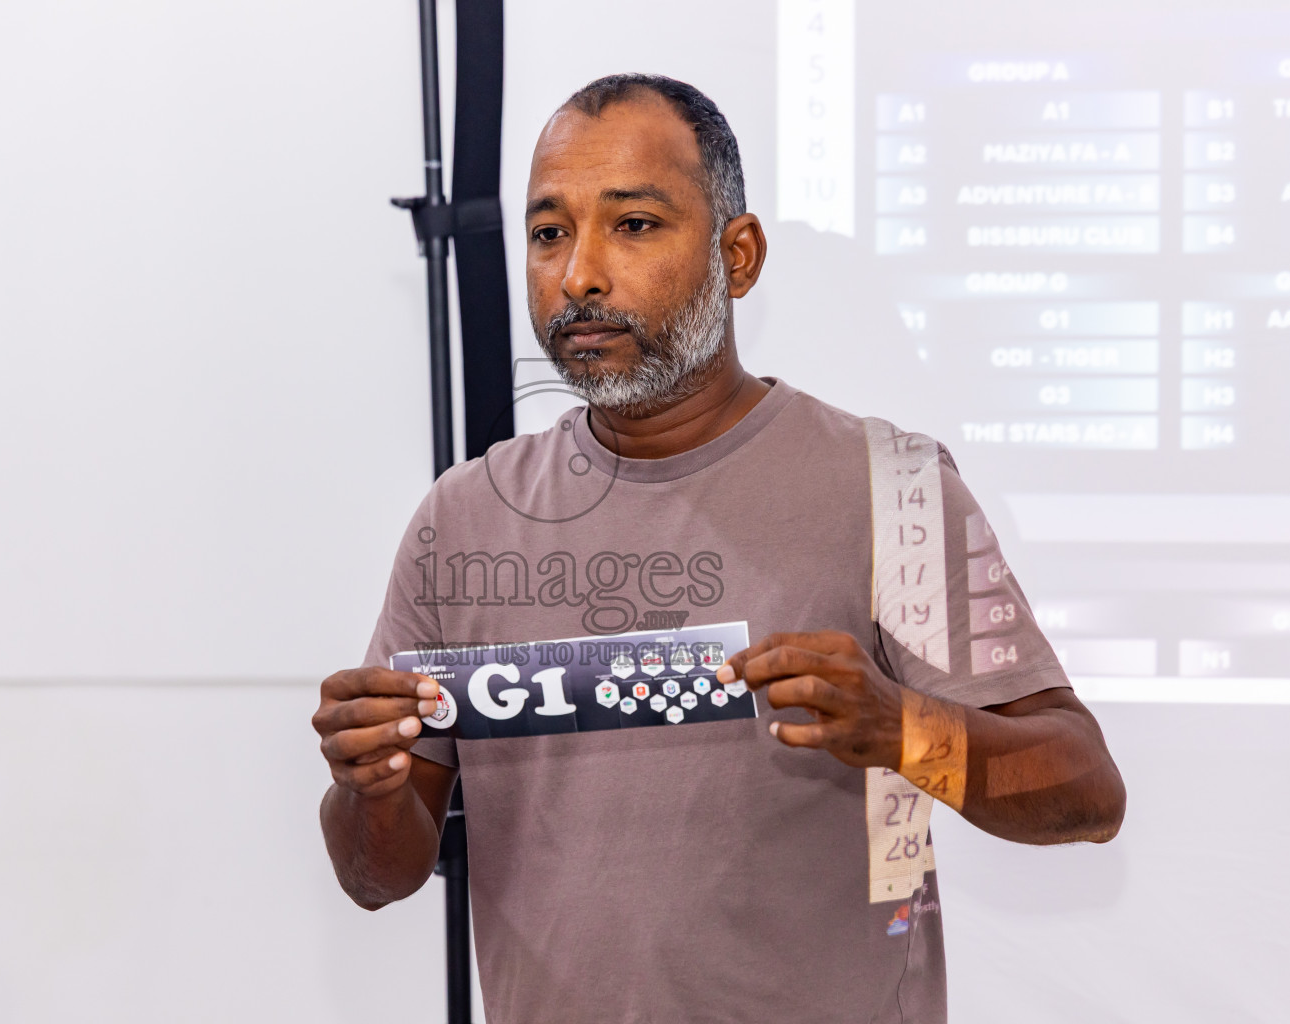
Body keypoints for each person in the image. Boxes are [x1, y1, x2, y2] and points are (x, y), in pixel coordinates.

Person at [314, 73, 1126, 1024]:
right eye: (548, 232)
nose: (579, 275)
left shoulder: (889, 485)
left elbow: (1085, 791)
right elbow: (380, 875)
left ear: (738, 257)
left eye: (635, 225)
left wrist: (908, 728)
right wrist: (366, 786)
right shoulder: (464, 520)